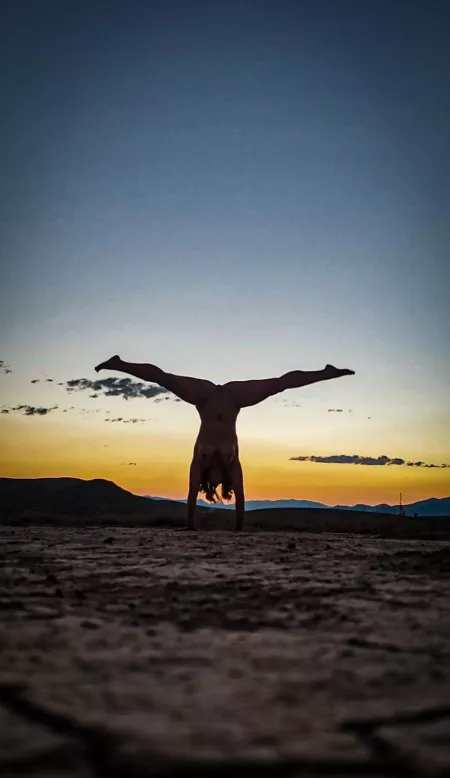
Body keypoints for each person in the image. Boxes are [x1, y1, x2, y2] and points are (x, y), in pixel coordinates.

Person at [95, 355, 355, 531]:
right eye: (222, 482)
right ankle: (326, 373)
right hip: (231, 398)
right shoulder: (233, 463)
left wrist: (190, 526)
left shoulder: (200, 460)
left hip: (207, 397)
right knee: (279, 385)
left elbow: (190, 495)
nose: (219, 480)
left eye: (215, 483)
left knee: (166, 379)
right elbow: (241, 495)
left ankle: (325, 373)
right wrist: (239, 529)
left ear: (211, 480)